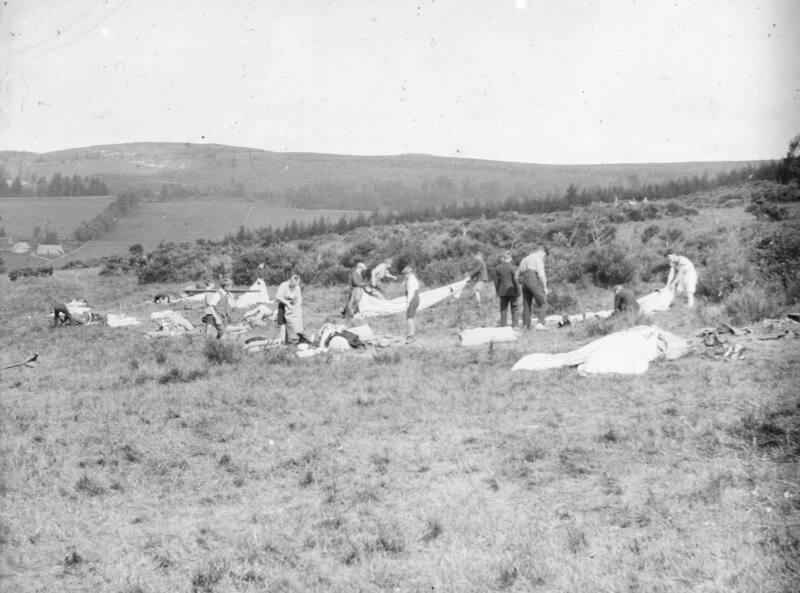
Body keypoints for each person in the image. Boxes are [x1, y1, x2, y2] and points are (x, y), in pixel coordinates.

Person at [517, 246, 548, 330]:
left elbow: (517, 275)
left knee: (527, 304)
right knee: (543, 303)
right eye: (544, 255)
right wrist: (545, 287)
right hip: (532, 279)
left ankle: (525, 326)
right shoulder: (537, 259)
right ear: (541, 252)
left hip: (524, 281)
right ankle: (540, 323)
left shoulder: (524, 260)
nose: (544, 257)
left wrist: (522, 282)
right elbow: (541, 274)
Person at [275, 273, 304, 343]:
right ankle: (282, 341)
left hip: (292, 306)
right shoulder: (283, 285)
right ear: (290, 281)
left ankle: (291, 339)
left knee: (293, 323)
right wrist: (287, 303)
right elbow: (277, 297)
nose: (294, 286)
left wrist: (297, 304)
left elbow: (299, 297)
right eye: (293, 285)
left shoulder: (297, 287)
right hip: (283, 305)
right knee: (282, 324)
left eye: (295, 285)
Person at [494, 253, 519, 327]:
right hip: (512, 290)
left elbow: (496, 281)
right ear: (509, 259)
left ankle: (503, 325)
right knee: (514, 308)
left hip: (502, 291)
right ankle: (515, 325)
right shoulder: (513, 267)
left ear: (503, 259)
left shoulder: (498, 268)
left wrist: (497, 290)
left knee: (503, 308)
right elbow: (515, 280)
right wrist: (518, 290)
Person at [402, 265, 420, 343]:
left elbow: (411, 292)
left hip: (412, 298)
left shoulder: (411, 281)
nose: (404, 276)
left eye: (405, 275)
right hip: (415, 298)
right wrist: (405, 280)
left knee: (409, 318)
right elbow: (403, 284)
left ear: (408, 273)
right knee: (410, 317)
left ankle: (411, 335)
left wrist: (408, 303)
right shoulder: (412, 278)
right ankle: (411, 334)